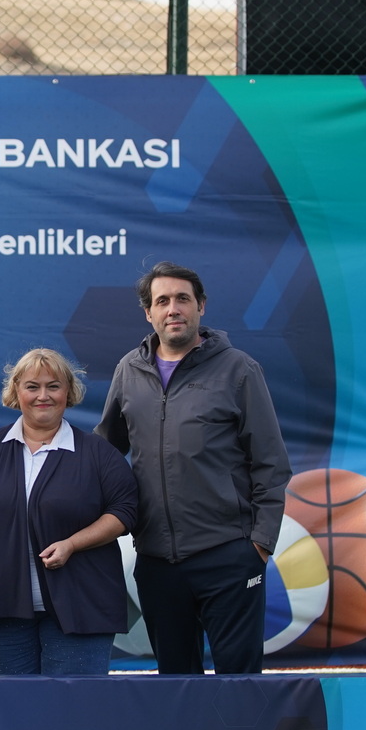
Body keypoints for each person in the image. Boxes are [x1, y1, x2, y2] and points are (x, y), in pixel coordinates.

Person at [95, 262, 291, 674]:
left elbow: (271, 463)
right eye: (162, 301)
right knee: (177, 685)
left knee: (239, 684)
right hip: (156, 561)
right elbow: (105, 453)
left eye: (182, 299)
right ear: (148, 313)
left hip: (229, 555)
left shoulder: (238, 369)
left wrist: (259, 545)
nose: (173, 309)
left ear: (201, 306)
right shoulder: (129, 370)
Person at [0, 349, 138, 675]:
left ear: (69, 391)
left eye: (53, 386)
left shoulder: (98, 453)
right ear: (16, 391)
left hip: (82, 605)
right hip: (1, 608)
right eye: (32, 386)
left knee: (74, 704)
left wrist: (73, 544)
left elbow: (125, 511)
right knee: (13, 705)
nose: (43, 396)